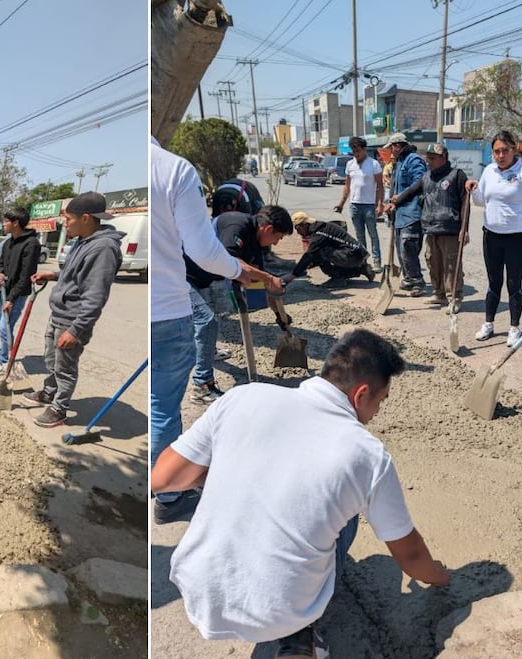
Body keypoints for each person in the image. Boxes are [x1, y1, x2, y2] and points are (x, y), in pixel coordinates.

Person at [151, 329, 450, 659]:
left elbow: (162, 479)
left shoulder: (242, 397)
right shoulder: (365, 454)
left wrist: (228, 469)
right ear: (361, 393)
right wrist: (439, 575)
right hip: (279, 612)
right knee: (347, 507)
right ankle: (300, 635)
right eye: (380, 401)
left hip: (198, 586)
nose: (377, 411)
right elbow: (409, 556)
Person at [151, 140, 258, 524]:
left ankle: (167, 484)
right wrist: (238, 271)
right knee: (162, 407)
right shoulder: (174, 169)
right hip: (167, 308)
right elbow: (202, 250)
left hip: (157, 309)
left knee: (157, 403)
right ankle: (169, 495)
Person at [21, 192, 123, 428]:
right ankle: (49, 392)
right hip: (59, 314)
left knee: (65, 366)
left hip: (72, 320)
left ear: (85, 217)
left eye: (67, 219)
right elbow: (76, 275)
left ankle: (59, 409)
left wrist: (76, 330)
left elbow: (95, 295)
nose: (64, 224)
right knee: (51, 359)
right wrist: (54, 275)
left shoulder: (103, 248)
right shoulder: (82, 241)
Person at [185, 205, 292, 400]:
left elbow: (259, 284)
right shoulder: (236, 224)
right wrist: (269, 278)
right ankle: (202, 385)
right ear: (268, 229)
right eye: (279, 238)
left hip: (203, 277)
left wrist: (280, 316)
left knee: (207, 321)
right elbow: (229, 259)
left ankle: (208, 352)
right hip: (183, 274)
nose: (276, 244)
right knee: (207, 322)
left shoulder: (256, 245)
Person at [465, 130, 522, 346]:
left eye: (505, 151)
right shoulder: (489, 171)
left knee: (513, 282)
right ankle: (489, 323)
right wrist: (473, 189)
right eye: (496, 151)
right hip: (491, 235)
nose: (500, 155)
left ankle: (514, 327)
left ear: (514, 150)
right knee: (493, 282)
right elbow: (482, 200)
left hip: (517, 237)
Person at [392, 143, 469, 309]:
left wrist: (464, 228)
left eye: (432, 158)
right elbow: (412, 190)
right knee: (433, 263)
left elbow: (465, 203)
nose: (429, 161)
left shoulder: (456, 175)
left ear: (443, 158)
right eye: (428, 158)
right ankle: (439, 294)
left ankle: (454, 298)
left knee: (451, 265)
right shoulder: (427, 177)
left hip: (450, 229)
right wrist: (396, 201)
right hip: (431, 228)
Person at [0, 208, 39, 377]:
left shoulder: (31, 244)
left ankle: (5, 362)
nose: (4, 224)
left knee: (4, 327)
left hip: (17, 293)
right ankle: (4, 354)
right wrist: (0, 272)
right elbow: (1, 263)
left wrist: (12, 298)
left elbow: (26, 276)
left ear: (16, 223)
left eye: (6, 221)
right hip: (4, 290)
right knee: (1, 326)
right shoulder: (8, 242)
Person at [385, 132, 429, 297]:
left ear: (398, 146)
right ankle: (409, 278)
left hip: (412, 212)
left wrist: (401, 198)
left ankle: (417, 280)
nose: (390, 150)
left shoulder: (413, 159)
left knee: (407, 246)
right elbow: (394, 188)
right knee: (400, 247)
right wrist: (391, 203)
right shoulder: (398, 162)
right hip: (399, 213)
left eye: (391, 147)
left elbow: (420, 182)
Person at [284, 211, 374, 287]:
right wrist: (304, 268)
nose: (298, 233)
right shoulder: (321, 228)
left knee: (320, 253)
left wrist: (294, 274)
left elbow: (309, 255)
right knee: (319, 253)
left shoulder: (318, 234)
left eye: (298, 229)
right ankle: (362, 269)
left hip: (353, 255)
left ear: (305, 225)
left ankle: (338, 278)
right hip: (357, 254)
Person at [333, 136, 383, 271]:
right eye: (354, 151)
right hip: (355, 205)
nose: (356, 154)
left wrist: (380, 205)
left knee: (373, 234)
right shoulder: (350, 165)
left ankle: (377, 262)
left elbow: (380, 186)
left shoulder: (374, 164)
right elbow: (347, 186)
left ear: (364, 149)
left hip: (369, 206)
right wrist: (341, 203)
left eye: (358, 151)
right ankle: (363, 263)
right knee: (359, 236)